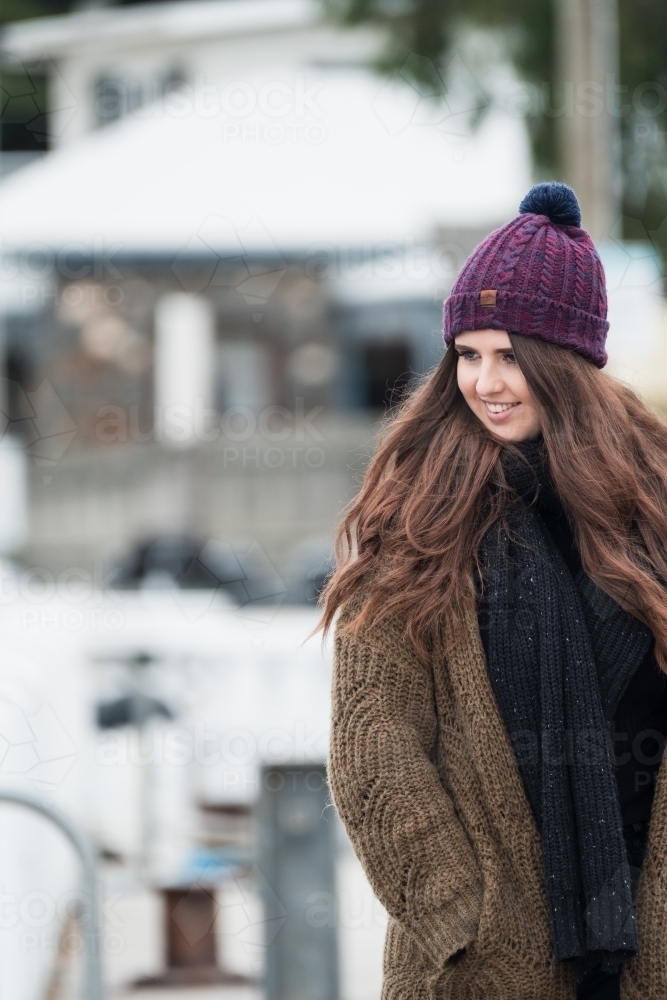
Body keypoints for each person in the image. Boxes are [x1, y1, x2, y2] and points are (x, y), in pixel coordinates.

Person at [321, 183, 667, 1000]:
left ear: (568, 363)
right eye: (467, 354)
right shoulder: (420, 518)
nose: (485, 382)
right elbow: (374, 739)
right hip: (481, 962)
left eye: (510, 355)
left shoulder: (652, 511)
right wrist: (461, 920)